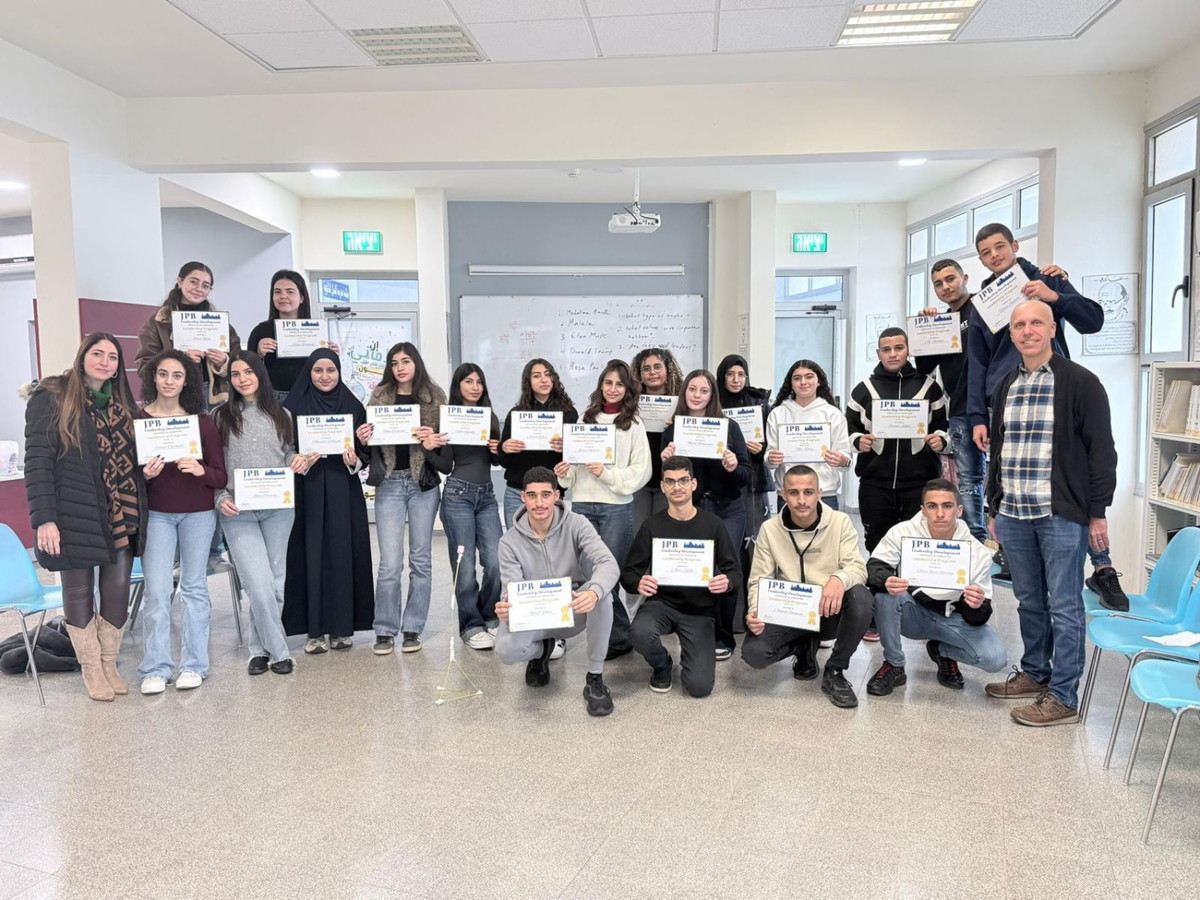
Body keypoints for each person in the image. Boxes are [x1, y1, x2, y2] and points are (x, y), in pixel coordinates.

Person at [966, 223, 1124, 608]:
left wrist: (1055, 296)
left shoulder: (1047, 279)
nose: (994, 256)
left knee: (1070, 477)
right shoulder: (983, 301)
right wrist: (977, 416)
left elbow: (1093, 320)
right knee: (1011, 481)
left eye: (999, 247)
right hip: (1005, 400)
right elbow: (977, 361)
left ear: (1015, 246)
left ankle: (1102, 566)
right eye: (986, 252)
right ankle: (1018, 559)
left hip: (1055, 394)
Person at [983, 300, 1117, 727]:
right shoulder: (1006, 384)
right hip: (1013, 512)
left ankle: (1063, 696)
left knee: (1064, 604)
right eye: (1019, 325)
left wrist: (1097, 512)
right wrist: (993, 506)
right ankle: (1035, 673)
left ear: (1053, 329)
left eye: (1036, 323)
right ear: (1012, 334)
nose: (1028, 331)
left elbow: (1102, 452)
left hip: (1060, 513)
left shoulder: (1080, 382)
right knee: (1028, 601)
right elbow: (999, 452)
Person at [23, 333, 147, 701]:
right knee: (78, 592)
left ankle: (110, 663)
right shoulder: (53, 396)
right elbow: (37, 462)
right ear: (82, 357)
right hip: (73, 512)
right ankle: (92, 669)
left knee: (117, 589)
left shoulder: (123, 404)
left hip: (122, 512)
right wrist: (44, 519)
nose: (105, 362)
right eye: (98, 354)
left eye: (113, 356)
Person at [742, 465, 873, 709]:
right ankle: (803, 647)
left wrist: (838, 579)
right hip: (790, 611)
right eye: (794, 493)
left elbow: (858, 568)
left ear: (819, 493)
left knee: (861, 598)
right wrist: (755, 610)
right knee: (754, 654)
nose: (801, 500)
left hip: (828, 610)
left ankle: (835, 670)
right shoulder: (770, 529)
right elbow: (759, 579)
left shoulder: (840, 522)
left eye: (808, 492)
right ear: (783, 494)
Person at [136, 350, 228, 694]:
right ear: (153, 377)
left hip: (198, 514)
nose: (169, 381)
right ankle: (155, 668)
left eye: (177, 375)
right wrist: (145, 475)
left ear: (187, 380)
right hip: (157, 515)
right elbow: (127, 477)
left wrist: (200, 470)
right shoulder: (139, 420)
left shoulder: (202, 423)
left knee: (194, 588)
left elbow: (220, 476)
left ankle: (194, 664)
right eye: (163, 374)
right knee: (158, 591)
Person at [495, 467, 620, 717]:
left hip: (570, 608)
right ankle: (543, 650)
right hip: (533, 615)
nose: (539, 503)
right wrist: (506, 607)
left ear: (556, 495)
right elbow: (510, 588)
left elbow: (608, 562)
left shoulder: (577, 523)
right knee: (506, 651)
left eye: (545, 495)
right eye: (532, 495)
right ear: (523, 497)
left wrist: (594, 592)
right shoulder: (508, 541)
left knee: (604, 596)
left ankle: (595, 678)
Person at [214, 351, 310, 676]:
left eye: (248, 372)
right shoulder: (220, 417)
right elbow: (214, 466)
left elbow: (287, 452)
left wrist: (296, 461)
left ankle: (258, 650)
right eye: (235, 374)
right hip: (237, 511)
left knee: (275, 583)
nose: (242, 379)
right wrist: (218, 497)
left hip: (278, 509)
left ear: (260, 374)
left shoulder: (282, 414)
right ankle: (280, 652)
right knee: (257, 583)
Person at [865, 479, 1006, 697]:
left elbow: (978, 618)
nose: (940, 514)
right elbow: (874, 567)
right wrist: (886, 580)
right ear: (923, 510)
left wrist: (977, 605)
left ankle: (942, 651)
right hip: (913, 614)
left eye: (947, 506)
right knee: (886, 594)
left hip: (953, 619)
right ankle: (894, 664)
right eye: (932, 506)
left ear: (959, 510)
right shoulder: (902, 531)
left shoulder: (977, 552)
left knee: (995, 659)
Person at [555, 360, 651, 660]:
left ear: (628, 389)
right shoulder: (586, 420)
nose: (613, 389)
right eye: (608, 383)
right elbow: (574, 469)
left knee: (610, 573)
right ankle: (617, 634)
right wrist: (564, 472)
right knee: (587, 571)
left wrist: (606, 474)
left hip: (616, 508)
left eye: (619, 384)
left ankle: (616, 637)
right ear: (600, 386)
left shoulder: (634, 425)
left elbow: (641, 471)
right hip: (582, 504)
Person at [621, 456, 740, 698]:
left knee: (699, 687)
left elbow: (735, 572)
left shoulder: (713, 524)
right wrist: (638, 583)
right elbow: (629, 573)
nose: (677, 487)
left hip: (699, 611)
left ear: (693, 484)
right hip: (661, 605)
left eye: (683, 480)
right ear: (663, 487)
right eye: (670, 481)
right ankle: (662, 664)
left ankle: (692, 654)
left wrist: (727, 582)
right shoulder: (652, 526)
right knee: (639, 633)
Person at [282, 349, 374, 654]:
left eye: (330, 370)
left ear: (339, 372)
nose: (324, 376)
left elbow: (365, 453)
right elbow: (283, 449)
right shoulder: (292, 407)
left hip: (342, 490)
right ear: (308, 372)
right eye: (318, 370)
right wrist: (297, 460)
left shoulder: (353, 406)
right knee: (309, 556)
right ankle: (313, 631)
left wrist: (354, 459)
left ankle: (341, 628)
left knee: (342, 555)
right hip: (305, 490)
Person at [359, 342, 447, 655]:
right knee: (389, 563)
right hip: (390, 484)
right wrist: (364, 438)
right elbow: (370, 443)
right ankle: (384, 630)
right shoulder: (379, 395)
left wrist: (432, 439)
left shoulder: (435, 396)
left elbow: (446, 446)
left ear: (416, 363)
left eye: (406, 361)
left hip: (422, 483)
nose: (400, 368)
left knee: (421, 560)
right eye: (394, 363)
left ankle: (413, 628)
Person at [661, 369, 751, 660]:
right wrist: (666, 460)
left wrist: (733, 466)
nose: (697, 395)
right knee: (695, 568)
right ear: (684, 392)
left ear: (712, 395)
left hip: (729, 509)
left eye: (704, 390)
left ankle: (724, 636)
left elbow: (746, 475)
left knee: (725, 570)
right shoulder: (673, 431)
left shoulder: (729, 427)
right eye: (692, 389)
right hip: (693, 511)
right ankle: (696, 630)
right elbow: (668, 479)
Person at [846, 327, 948, 553]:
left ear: (908, 350)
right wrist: (858, 441)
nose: (892, 354)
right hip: (875, 484)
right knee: (877, 545)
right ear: (878, 353)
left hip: (920, 484)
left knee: (917, 546)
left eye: (899, 348)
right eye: (886, 349)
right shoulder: (863, 390)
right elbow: (849, 428)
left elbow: (944, 425)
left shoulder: (929, 387)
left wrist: (941, 440)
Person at [912, 260, 986, 543]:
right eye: (938, 283)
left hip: (994, 404)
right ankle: (974, 540)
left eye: (950, 279)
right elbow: (924, 367)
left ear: (964, 278)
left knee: (1005, 476)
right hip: (961, 409)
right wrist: (926, 327)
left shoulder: (983, 307)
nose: (946, 286)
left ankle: (1006, 545)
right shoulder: (942, 325)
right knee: (968, 479)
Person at [438, 363, 504, 650]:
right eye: (468, 381)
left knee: (496, 561)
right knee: (464, 567)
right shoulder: (449, 417)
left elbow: (498, 461)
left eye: (479, 382)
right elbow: (445, 465)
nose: (475, 387)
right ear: (458, 386)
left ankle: (490, 616)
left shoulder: (490, 417)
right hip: (458, 495)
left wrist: (498, 450)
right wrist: (428, 449)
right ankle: (471, 625)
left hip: (487, 496)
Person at [136, 261, 241, 408]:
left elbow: (239, 358)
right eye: (194, 282)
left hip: (214, 398)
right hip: (173, 396)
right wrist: (180, 359)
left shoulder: (219, 323)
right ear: (180, 281)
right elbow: (145, 367)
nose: (199, 289)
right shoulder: (158, 322)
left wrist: (224, 361)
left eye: (205, 285)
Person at [497, 358, 578, 530]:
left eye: (548, 375)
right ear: (528, 382)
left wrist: (567, 448)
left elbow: (576, 458)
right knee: (516, 542)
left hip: (551, 492)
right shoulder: (517, 414)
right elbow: (503, 462)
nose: (544, 380)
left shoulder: (568, 413)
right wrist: (504, 448)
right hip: (518, 491)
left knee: (552, 542)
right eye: (537, 376)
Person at [766, 359, 853, 510]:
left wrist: (842, 460)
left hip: (825, 494)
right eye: (797, 378)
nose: (803, 382)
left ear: (819, 381)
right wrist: (771, 459)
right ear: (791, 383)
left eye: (809, 377)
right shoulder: (778, 414)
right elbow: (769, 457)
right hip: (788, 494)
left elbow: (845, 455)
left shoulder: (832, 413)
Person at [245, 270, 338, 402]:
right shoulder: (260, 331)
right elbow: (247, 370)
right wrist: (258, 355)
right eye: (277, 292)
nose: (283, 296)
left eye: (290, 292)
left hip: (310, 395)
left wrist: (332, 356)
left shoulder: (317, 329)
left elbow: (324, 369)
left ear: (302, 298)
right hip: (272, 397)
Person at [630, 347, 685, 530]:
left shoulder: (682, 404)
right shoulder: (630, 404)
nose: (652, 372)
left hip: (669, 480)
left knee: (664, 532)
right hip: (639, 480)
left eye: (657, 367)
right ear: (639, 375)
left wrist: (678, 424)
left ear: (668, 371)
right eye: (646, 369)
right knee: (639, 532)